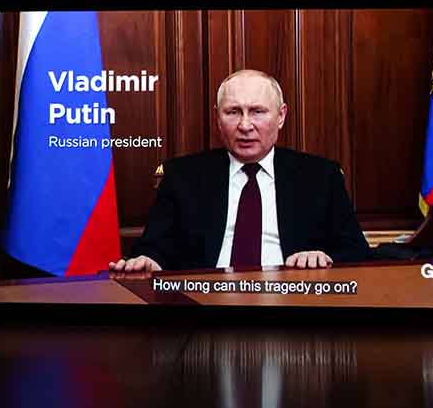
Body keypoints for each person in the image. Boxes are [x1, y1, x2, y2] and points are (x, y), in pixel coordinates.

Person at [110, 70, 372, 272]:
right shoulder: (182, 176)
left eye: (257, 112)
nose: (245, 125)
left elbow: (357, 253)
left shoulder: (320, 175)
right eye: (234, 112)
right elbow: (153, 248)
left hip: (293, 304)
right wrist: (148, 261)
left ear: (281, 116)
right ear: (217, 116)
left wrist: (321, 258)